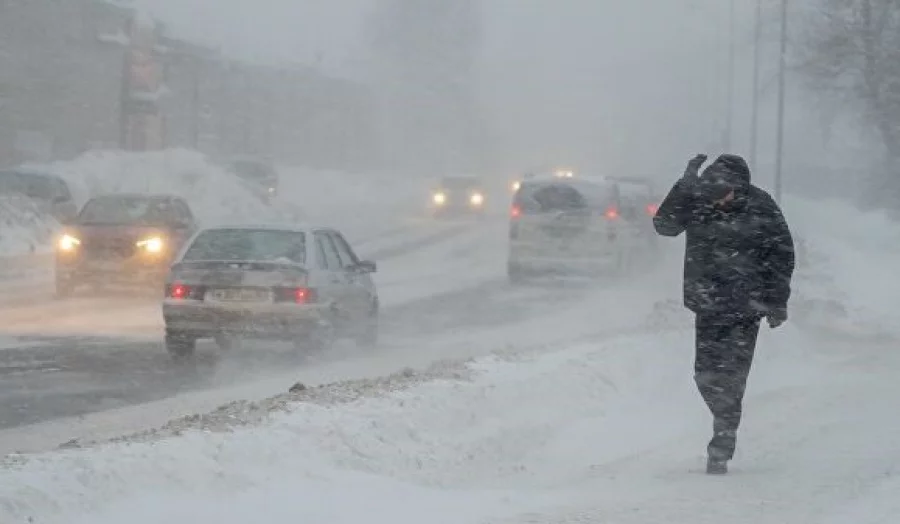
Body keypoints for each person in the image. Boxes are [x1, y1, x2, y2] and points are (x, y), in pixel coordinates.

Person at [653, 153, 795, 475]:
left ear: (739, 187)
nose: (719, 203)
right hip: (708, 303)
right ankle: (724, 417)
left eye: (725, 195)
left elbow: (782, 255)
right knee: (704, 374)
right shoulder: (699, 200)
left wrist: (777, 301)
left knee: (733, 375)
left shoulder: (762, 207)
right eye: (713, 196)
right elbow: (664, 226)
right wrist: (684, 186)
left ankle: (723, 437)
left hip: (747, 308)